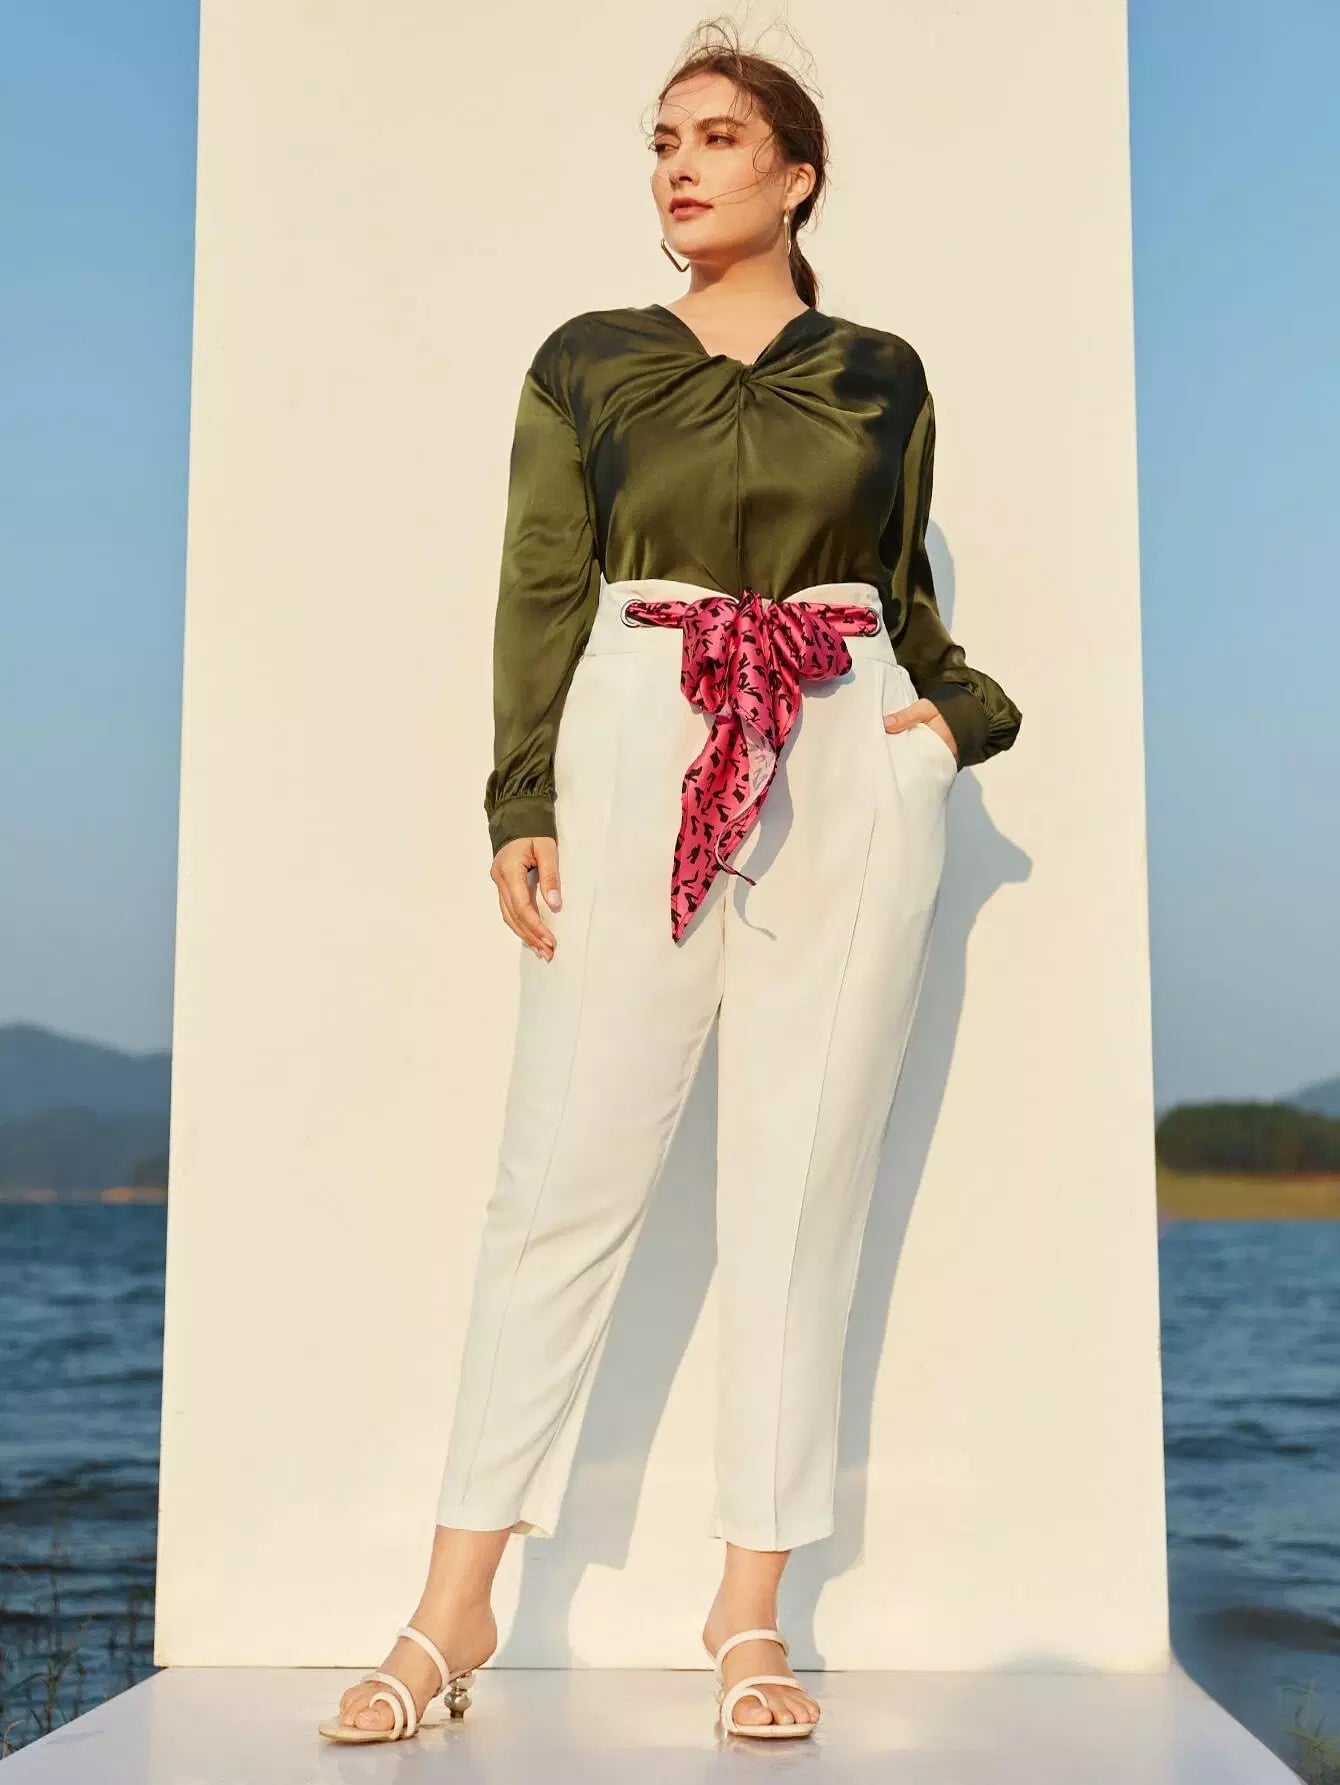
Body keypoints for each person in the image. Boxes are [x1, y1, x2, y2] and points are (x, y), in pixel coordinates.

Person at [319, 25, 1021, 1748]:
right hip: (646, 725)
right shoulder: (589, 361)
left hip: (845, 743)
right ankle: (453, 1602)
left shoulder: (882, 373)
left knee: (803, 1188)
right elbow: (540, 583)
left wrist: (953, 723)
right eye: (661, 140)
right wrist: (521, 793)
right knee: (560, 1177)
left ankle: (749, 1606)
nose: (679, 165)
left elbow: (901, 591)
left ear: (797, 175)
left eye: (716, 136)